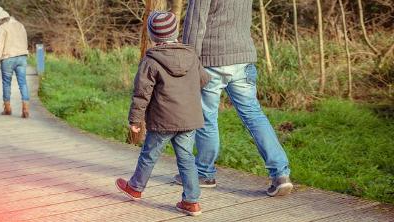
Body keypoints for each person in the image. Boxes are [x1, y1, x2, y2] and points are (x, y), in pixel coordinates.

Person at [175, 0, 293, 197]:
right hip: (243, 58)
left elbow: (195, 25)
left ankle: (204, 173)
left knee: (207, 117)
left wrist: (189, 62)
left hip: (212, 60)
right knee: (254, 115)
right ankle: (281, 175)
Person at [115, 11, 210, 216]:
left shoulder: (151, 60)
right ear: (176, 32)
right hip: (189, 119)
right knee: (186, 159)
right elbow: (204, 79)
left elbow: (142, 94)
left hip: (163, 121)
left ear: (153, 35)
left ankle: (135, 187)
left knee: (149, 155)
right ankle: (192, 202)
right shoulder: (190, 55)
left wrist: (135, 119)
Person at [0, 7, 30, 118]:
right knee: (23, 83)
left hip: (8, 58)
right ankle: (25, 109)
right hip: (22, 57)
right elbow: (25, 40)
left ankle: (7, 109)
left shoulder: (1, 28)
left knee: (6, 83)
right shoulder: (20, 25)